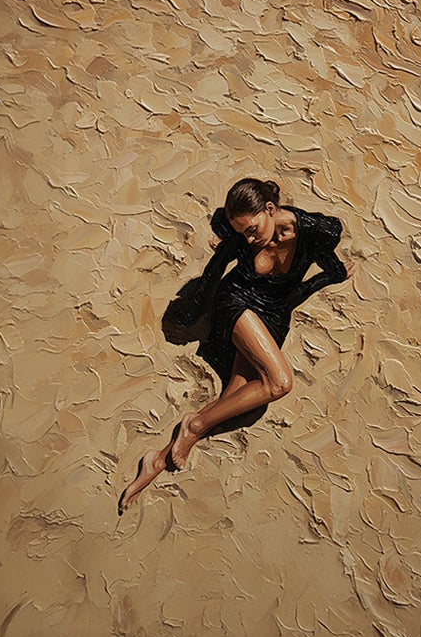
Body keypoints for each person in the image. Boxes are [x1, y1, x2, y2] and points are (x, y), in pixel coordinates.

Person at [121, 178, 351, 511]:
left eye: (253, 228)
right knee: (279, 383)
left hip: (272, 316)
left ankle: (155, 460)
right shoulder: (241, 237)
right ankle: (193, 425)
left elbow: (332, 250)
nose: (250, 237)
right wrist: (190, 312)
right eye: (242, 232)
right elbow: (214, 272)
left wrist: (319, 270)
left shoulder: (312, 230)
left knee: (236, 399)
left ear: (270, 209)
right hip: (238, 304)